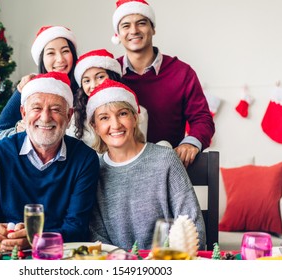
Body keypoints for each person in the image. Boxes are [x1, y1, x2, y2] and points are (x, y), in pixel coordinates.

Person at [0, 72, 99, 251]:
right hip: (8, 257)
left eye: (56, 109)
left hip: (60, 261)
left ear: (69, 115)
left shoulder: (84, 159)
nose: (46, 117)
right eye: (37, 108)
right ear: (23, 113)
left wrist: (36, 239)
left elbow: (77, 229)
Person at [87, 78, 206, 250]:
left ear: (135, 118)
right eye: (104, 118)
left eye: (122, 114)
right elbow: (95, 235)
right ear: (95, 126)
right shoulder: (93, 170)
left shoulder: (165, 159)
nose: (115, 124)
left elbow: (192, 224)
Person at [111, 0, 215, 167]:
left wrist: (190, 143)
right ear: (118, 34)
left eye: (141, 23)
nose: (134, 31)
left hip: (168, 170)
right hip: (120, 170)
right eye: (126, 26)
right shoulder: (110, 74)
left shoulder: (182, 72)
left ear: (153, 28)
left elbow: (202, 119)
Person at [0, 25, 79, 148]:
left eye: (65, 51)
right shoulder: (29, 88)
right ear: (42, 59)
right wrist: (18, 131)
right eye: (51, 53)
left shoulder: (87, 86)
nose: (60, 59)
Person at [65, 48, 148, 146]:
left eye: (100, 77)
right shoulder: (75, 117)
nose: (93, 85)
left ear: (112, 76)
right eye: (87, 81)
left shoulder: (139, 112)